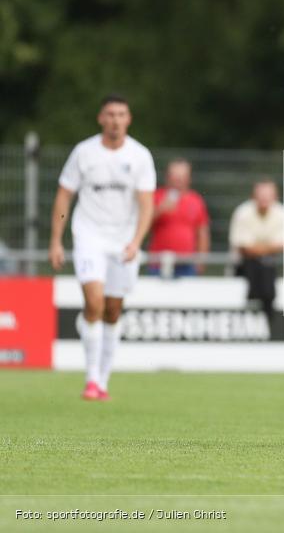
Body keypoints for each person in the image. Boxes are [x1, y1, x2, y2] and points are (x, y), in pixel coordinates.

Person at [48, 93, 156, 401]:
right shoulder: (84, 152)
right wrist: (56, 240)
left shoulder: (139, 156)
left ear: (128, 119)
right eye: (110, 114)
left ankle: (104, 380)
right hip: (89, 236)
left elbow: (146, 204)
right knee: (94, 302)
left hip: (123, 241)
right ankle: (91, 379)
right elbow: (64, 196)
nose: (115, 120)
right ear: (101, 118)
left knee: (111, 310)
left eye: (121, 114)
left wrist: (137, 241)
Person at [229, 178, 284, 320]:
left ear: (275, 197)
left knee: (265, 264)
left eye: (267, 196)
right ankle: (267, 314)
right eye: (261, 196)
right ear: (253, 197)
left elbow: (250, 247)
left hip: (271, 267)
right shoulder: (243, 213)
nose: (264, 199)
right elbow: (244, 250)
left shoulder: (282, 213)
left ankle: (256, 303)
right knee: (262, 264)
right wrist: (270, 248)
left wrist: (257, 249)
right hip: (245, 267)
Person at [147, 159, 210, 276]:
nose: (178, 180)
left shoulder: (196, 200)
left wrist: (201, 262)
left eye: (182, 176)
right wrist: (160, 210)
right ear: (167, 177)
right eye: (175, 176)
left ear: (189, 178)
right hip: (158, 263)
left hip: (187, 264)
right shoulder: (156, 196)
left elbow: (202, 233)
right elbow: (143, 225)